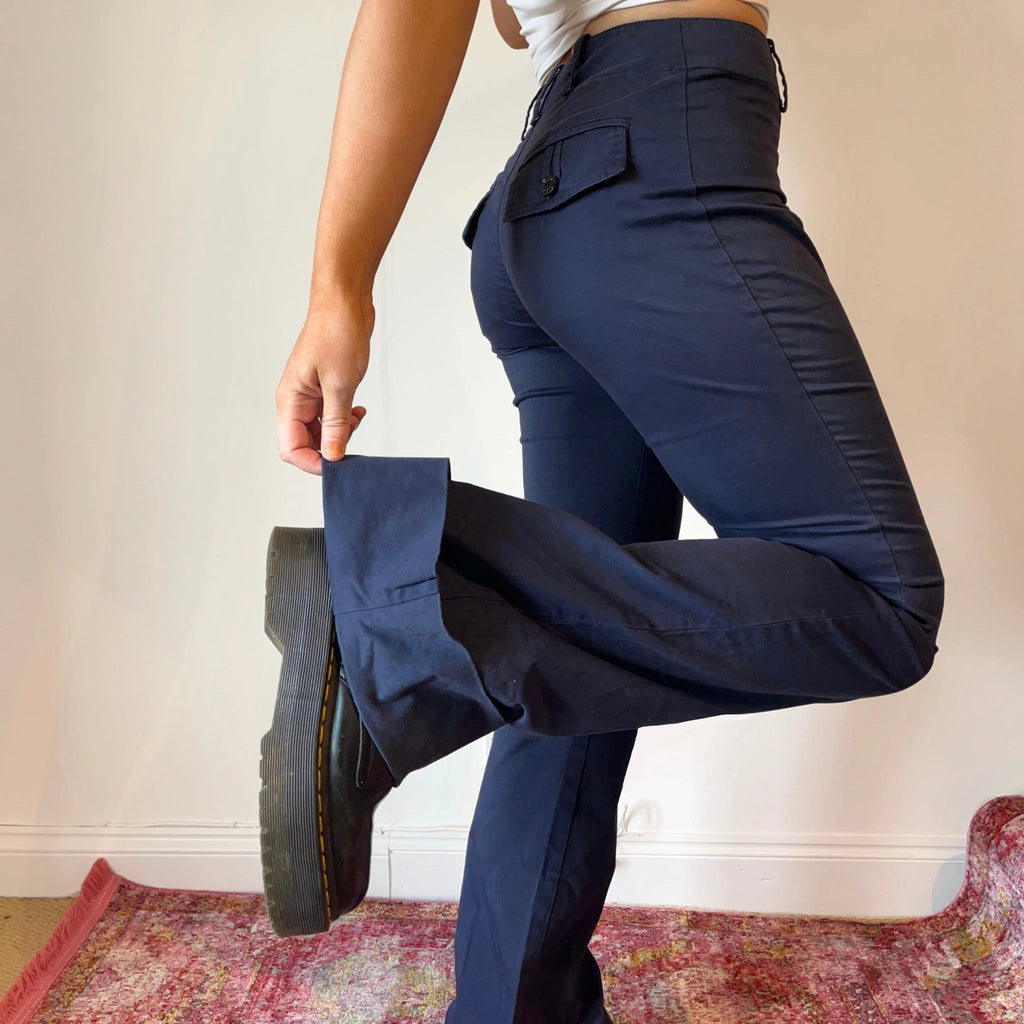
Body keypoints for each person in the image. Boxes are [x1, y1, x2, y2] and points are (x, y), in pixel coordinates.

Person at [260, 1, 945, 1022]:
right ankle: (412, 595)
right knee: (879, 598)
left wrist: (341, 287)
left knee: (572, 657)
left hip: (565, 194)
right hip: (657, 162)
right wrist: (336, 289)